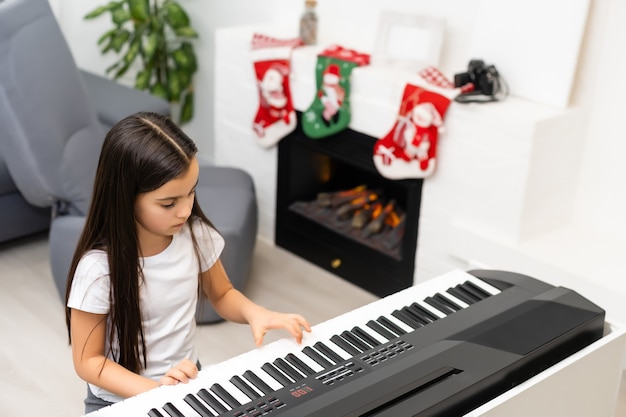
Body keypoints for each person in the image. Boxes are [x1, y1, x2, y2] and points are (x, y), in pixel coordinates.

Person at [64, 112, 311, 413]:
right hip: (121, 400)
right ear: (125, 197)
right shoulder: (98, 270)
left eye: (191, 192)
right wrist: (156, 392)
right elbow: (88, 362)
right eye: (168, 203)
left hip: (185, 382)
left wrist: (255, 313)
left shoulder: (195, 235)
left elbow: (221, 293)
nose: (185, 211)